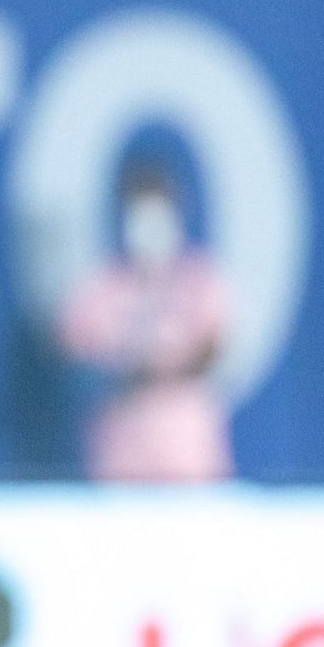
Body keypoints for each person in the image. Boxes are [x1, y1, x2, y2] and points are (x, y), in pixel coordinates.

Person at [59, 159, 233, 482]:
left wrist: (160, 368)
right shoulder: (103, 286)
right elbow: (76, 355)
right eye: (139, 212)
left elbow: (214, 346)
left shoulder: (199, 279)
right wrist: (127, 369)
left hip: (189, 457)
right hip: (122, 459)